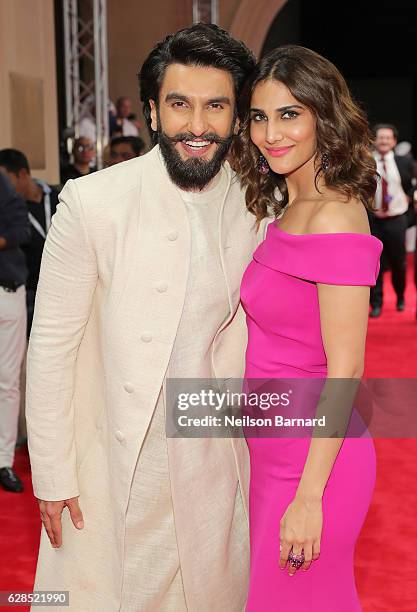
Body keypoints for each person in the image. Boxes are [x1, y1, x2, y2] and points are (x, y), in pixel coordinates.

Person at [26, 24, 262, 611]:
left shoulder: (257, 204)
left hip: (211, 465)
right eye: (180, 105)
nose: (198, 126)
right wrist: (53, 474)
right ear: (153, 112)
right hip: (112, 465)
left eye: (216, 106)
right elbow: (52, 345)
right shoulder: (93, 202)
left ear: (237, 117)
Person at [232, 45, 382, 610]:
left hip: (316, 460)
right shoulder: (286, 208)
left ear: (325, 115)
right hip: (274, 449)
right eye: (260, 116)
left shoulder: (336, 215)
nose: (272, 133)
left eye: (290, 114)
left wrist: (310, 497)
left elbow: (346, 368)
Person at [0, 149, 59, 337]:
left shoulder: (60, 196)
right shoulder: (9, 213)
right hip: (30, 290)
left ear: (22, 174)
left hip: (62, 285)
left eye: (4, 179)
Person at [0, 171, 30, 493]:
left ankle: (3, 461)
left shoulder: (2, 183)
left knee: (8, 381)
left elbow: (18, 229)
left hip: (8, 290)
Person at [369, 124, 415, 317]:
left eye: (388, 138)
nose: (384, 141)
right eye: (381, 137)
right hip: (373, 219)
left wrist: (410, 196)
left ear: (394, 141)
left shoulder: (404, 161)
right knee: (373, 264)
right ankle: (376, 303)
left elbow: (411, 186)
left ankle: (400, 297)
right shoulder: (366, 162)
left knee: (399, 263)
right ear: (374, 140)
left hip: (397, 219)